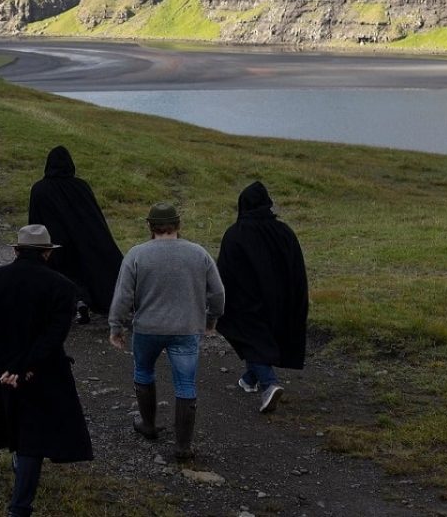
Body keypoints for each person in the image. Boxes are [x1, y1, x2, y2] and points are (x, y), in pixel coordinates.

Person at [0, 224, 93, 517]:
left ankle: (20, 482)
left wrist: (7, 364)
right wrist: (24, 366)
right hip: (42, 367)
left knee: (15, 418)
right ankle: (19, 508)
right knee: (33, 433)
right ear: (47, 252)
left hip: (0, 369)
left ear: (16, 250)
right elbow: (54, 334)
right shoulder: (62, 286)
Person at [108, 202, 225, 461]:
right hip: (186, 329)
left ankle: (148, 425)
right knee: (185, 383)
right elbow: (217, 293)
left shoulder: (136, 254)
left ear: (149, 226)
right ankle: (183, 446)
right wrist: (211, 320)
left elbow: (123, 295)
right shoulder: (199, 253)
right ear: (178, 225)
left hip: (147, 329)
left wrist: (116, 326)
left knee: (143, 371)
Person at [215, 181, 309, 414]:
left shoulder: (235, 234)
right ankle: (249, 379)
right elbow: (297, 268)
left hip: (246, 302)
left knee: (249, 337)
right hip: (281, 300)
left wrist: (218, 303)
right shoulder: (284, 232)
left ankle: (269, 384)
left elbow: (224, 271)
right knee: (260, 340)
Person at [28, 146, 124, 324]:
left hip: (53, 244)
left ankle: (71, 304)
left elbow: (35, 221)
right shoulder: (80, 186)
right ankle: (85, 301)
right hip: (82, 240)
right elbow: (94, 217)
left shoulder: (40, 189)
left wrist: (34, 247)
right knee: (85, 272)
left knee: (59, 275)